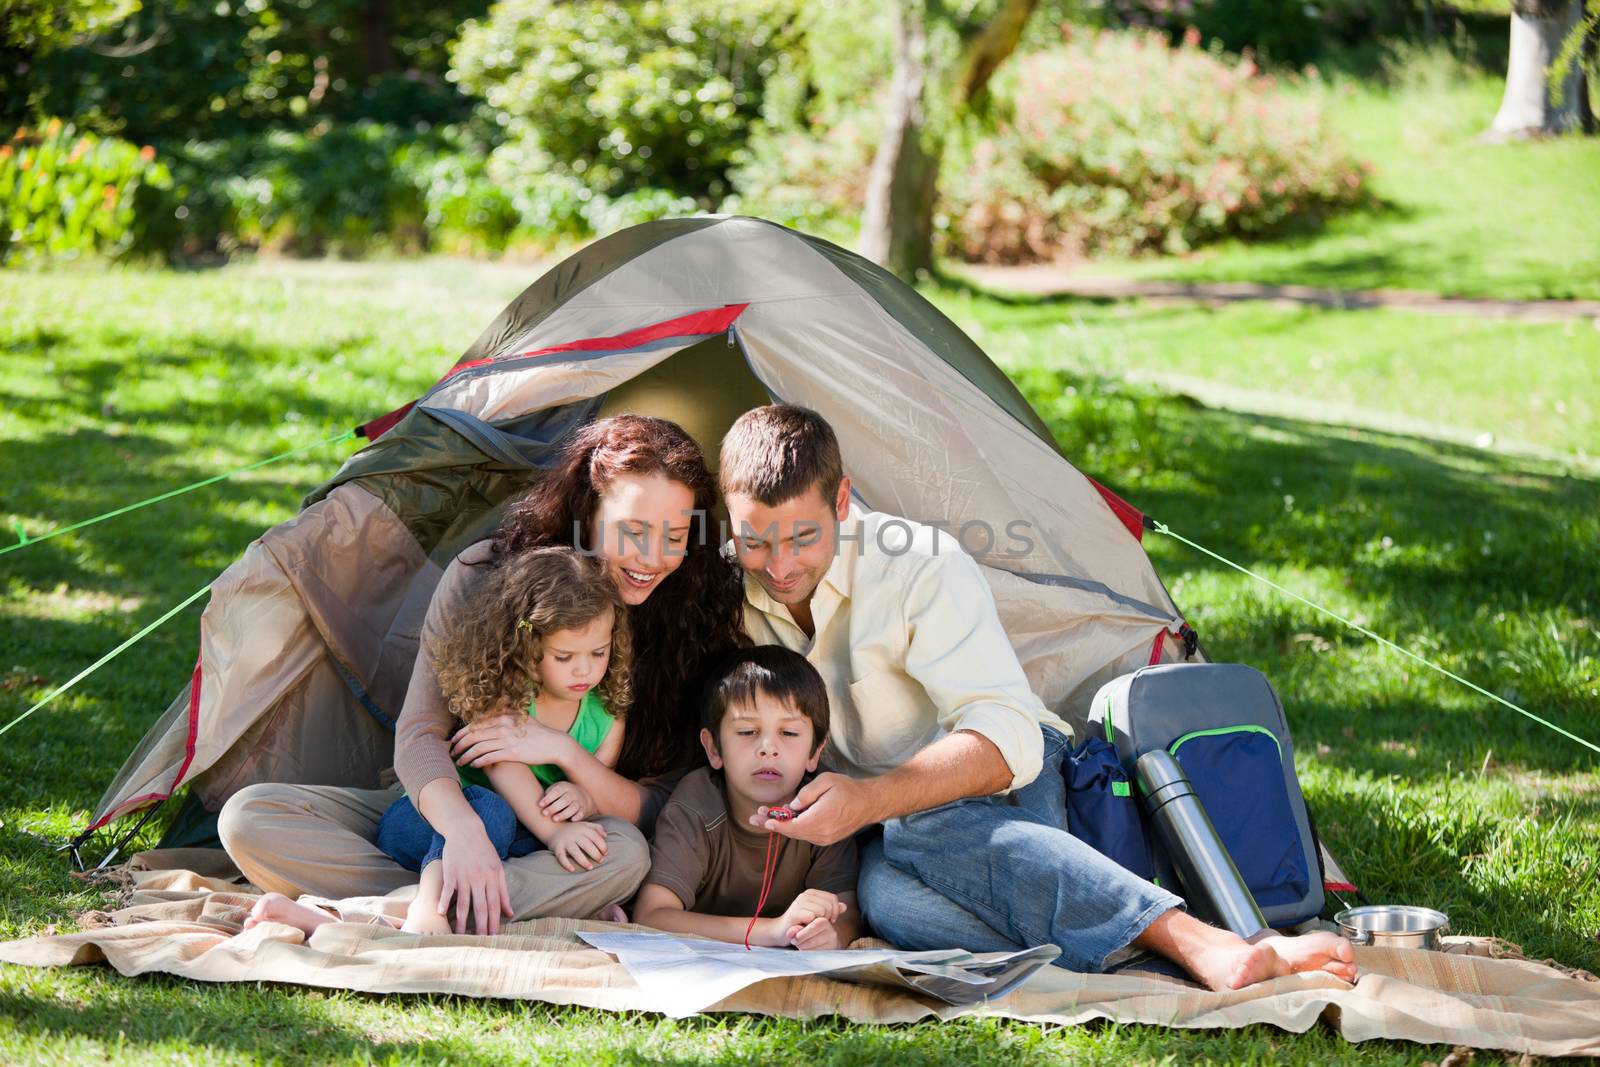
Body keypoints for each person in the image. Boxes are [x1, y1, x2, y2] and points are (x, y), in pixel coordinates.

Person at [716, 404, 1357, 991]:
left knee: (916, 825)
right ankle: (1140, 945)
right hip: (882, 827)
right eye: (753, 541)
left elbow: (1008, 738)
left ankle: (1193, 940)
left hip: (1004, 778)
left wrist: (870, 799)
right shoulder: (726, 597)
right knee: (885, 904)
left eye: (802, 539)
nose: (777, 566)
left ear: (843, 500)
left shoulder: (919, 566)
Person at [220, 415, 747, 935]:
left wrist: (563, 754)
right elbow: (421, 734)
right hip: (457, 803)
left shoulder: (691, 619)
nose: (652, 558)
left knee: (627, 857)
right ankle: (473, 897)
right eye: (633, 531)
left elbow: (660, 801)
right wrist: (464, 832)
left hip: (567, 833)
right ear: (589, 513)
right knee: (249, 818)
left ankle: (391, 910)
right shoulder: (487, 575)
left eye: (675, 536)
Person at [244, 547, 633, 936]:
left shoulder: (607, 712)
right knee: (491, 811)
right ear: (528, 652)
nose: (585, 669)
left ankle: (388, 914)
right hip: (432, 823)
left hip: (516, 842)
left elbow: (597, 778)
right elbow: (504, 768)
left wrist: (582, 799)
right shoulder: (508, 698)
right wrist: (555, 832)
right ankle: (439, 905)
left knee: (622, 851)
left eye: (598, 652)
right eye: (564, 656)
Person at [633, 646, 859, 950]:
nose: (768, 747)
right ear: (713, 749)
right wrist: (771, 931)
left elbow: (847, 910)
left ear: (816, 751)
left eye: (789, 733)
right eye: (748, 731)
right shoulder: (696, 806)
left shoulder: (824, 806)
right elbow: (651, 916)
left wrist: (834, 936)